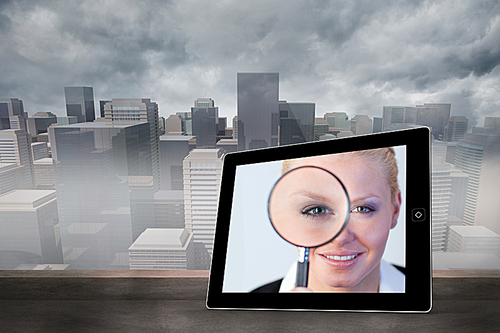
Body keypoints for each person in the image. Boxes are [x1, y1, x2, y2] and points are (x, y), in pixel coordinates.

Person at [252, 147, 404, 293]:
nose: (340, 238)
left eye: (362, 209)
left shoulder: (428, 293)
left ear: (395, 210)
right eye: (316, 210)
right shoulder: (246, 313)